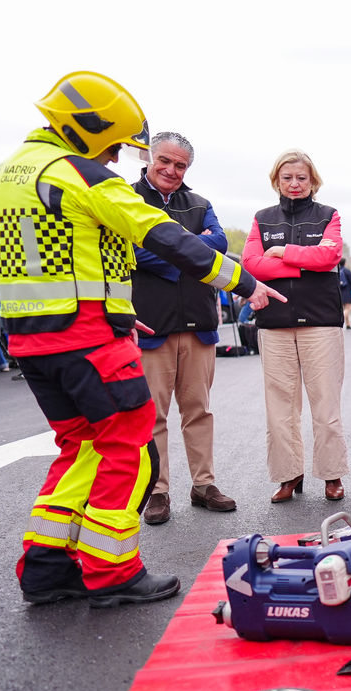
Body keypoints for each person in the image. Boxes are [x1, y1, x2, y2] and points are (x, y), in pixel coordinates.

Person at [0, 71, 284, 607]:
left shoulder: (2, 176)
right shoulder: (80, 174)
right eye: (115, 145)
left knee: (81, 450)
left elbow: (57, 259)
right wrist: (244, 282)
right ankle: (113, 572)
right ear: (89, 129)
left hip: (33, 341)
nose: (117, 157)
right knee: (131, 450)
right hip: (87, 342)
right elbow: (165, 237)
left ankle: (46, 568)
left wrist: (117, 311)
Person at [131, 131, 236, 524]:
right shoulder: (127, 199)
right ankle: (157, 491)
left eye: (180, 165)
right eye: (165, 161)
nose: (171, 170)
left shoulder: (200, 204)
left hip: (198, 323)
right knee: (152, 416)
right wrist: (192, 251)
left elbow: (220, 243)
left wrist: (166, 250)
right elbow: (132, 252)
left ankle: (203, 484)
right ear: (149, 157)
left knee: (199, 411)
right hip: (150, 325)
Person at [242, 149, 349, 503]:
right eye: (287, 178)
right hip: (274, 325)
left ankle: (332, 475)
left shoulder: (328, 215)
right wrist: (304, 264)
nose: (294, 184)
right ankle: (289, 476)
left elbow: (329, 255)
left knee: (326, 406)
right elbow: (251, 265)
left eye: (301, 178)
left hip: (321, 323)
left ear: (313, 181)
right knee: (280, 410)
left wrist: (281, 252)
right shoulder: (262, 219)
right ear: (276, 181)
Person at [338, 257, 351, 329]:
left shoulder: (337, 271)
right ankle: (341, 318)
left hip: (339, 293)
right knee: (348, 308)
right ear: (345, 263)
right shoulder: (347, 271)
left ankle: (348, 324)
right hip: (347, 292)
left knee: (343, 309)